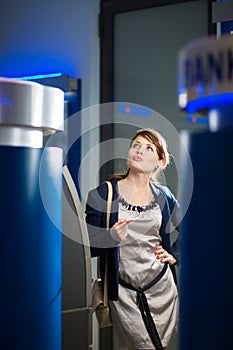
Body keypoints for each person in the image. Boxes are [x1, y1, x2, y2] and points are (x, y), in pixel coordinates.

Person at [85, 128, 181, 350]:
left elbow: (191, 227)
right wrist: (110, 236)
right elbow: (86, 243)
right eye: (136, 145)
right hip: (125, 293)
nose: (139, 150)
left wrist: (175, 255)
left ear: (159, 161)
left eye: (149, 148)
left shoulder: (163, 195)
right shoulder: (103, 194)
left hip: (161, 288)